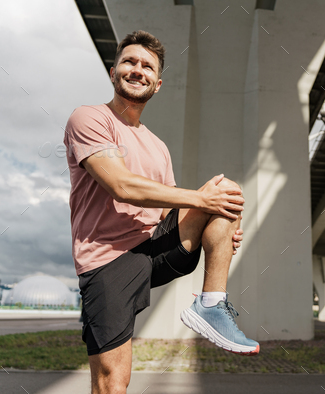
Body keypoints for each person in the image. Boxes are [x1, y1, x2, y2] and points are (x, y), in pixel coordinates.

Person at [64, 30, 259, 394]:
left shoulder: (157, 145)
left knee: (226, 192)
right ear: (113, 72)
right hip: (108, 260)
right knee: (112, 381)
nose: (138, 70)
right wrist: (202, 203)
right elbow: (121, 185)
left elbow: (173, 204)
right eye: (130, 62)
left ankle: (211, 305)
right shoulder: (89, 118)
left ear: (157, 84)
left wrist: (219, 229)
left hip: (154, 248)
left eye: (147, 66)